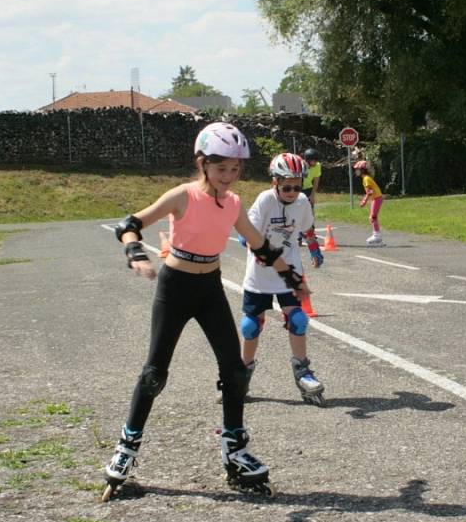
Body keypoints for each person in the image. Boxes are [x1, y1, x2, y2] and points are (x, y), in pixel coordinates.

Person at [102, 122, 308, 500]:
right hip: (176, 287)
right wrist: (134, 253)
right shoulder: (182, 196)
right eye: (221, 168)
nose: (229, 177)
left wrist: (291, 277)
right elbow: (129, 224)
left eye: (235, 169)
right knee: (154, 373)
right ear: (203, 163)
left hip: (209, 288)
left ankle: (236, 448)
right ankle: (126, 448)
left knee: (234, 370)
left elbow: (260, 244)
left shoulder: (231, 204)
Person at [240, 152, 326, 406]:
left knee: (298, 320)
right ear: (274, 182)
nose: (292, 191)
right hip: (259, 275)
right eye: (286, 186)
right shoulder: (265, 200)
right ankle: (241, 375)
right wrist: (251, 243)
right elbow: (248, 231)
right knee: (250, 327)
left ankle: (303, 373)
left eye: (297, 186)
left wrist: (314, 248)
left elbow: (307, 227)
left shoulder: (301, 202)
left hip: (289, 273)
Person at [355, 160, 385, 245]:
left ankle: (377, 236)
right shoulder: (366, 178)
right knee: (372, 217)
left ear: (362, 170)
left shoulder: (366, 179)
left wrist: (364, 201)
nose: (356, 171)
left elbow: (370, 191)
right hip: (376, 198)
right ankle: (377, 236)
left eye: (357, 169)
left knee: (373, 217)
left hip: (377, 198)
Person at [297, 148, 321, 246]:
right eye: (313, 160)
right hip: (298, 188)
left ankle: (311, 233)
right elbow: (297, 179)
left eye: (316, 160)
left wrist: (312, 195)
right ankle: (298, 235)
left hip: (308, 189)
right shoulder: (300, 165)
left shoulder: (317, 166)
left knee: (310, 212)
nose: (315, 162)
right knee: (298, 212)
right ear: (307, 160)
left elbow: (316, 181)